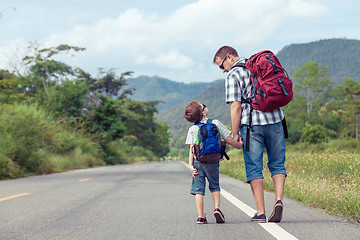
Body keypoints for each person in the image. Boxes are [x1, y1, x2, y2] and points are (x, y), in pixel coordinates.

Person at [213, 46, 287, 223]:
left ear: (229, 57)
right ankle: (278, 201)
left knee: (254, 167)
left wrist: (236, 132)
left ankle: (261, 212)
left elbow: (236, 106)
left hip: (252, 125)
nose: (223, 71)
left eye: (221, 66)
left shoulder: (233, 74)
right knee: (277, 164)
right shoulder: (259, 65)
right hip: (276, 119)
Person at [184, 101, 242, 224]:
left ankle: (200, 216)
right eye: (203, 106)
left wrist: (190, 166)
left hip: (198, 162)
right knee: (214, 186)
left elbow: (192, 149)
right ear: (203, 113)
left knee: (199, 190)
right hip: (213, 161)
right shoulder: (215, 123)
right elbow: (227, 139)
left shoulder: (193, 129)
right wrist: (239, 145)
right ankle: (217, 208)